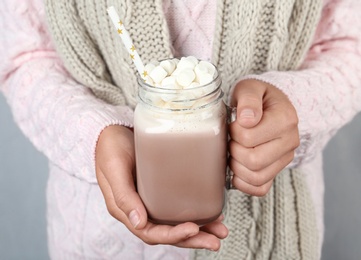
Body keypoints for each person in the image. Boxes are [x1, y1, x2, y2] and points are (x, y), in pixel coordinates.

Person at [1, 0, 360, 259]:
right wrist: (94, 135)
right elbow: (23, 56)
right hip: (100, 239)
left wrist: (293, 104)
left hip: (267, 236)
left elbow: (351, 45)